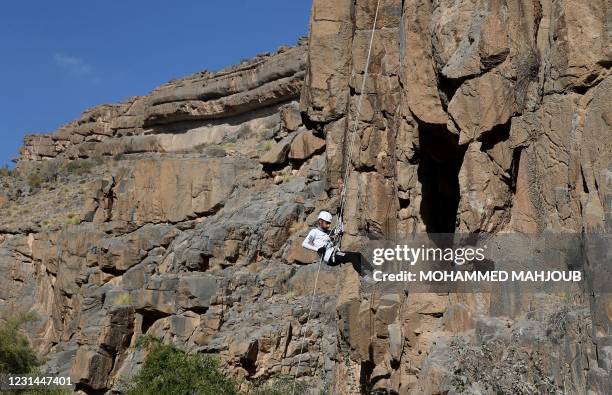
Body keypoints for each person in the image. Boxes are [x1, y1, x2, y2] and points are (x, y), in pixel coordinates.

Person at [302, 210, 372, 278]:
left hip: (334, 254)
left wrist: (340, 216)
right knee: (353, 257)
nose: (328, 225)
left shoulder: (328, 232)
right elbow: (304, 244)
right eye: (327, 223)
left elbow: (339, 230)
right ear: (320, 221)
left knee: (358, 255)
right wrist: (318, 249)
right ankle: (366, 277)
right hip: (329, 257)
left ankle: (373, 271)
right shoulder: (314, 232)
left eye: (329, 223)